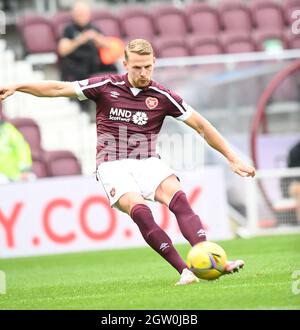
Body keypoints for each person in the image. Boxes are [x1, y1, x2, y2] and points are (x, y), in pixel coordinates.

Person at [0, 39, 255, 285]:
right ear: (125, 64)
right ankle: (184, 271)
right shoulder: (105, 85)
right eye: (137, 67)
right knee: (141, 211)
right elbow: (58, 89)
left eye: (148, 66)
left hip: (147, 160)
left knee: (179, 198)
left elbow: (201, 125)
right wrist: (19, 86)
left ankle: (212, 260)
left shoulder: (163, 95)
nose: (143, 72)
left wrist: (232, 158)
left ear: (154, 62)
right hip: (112, 164)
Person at [57, 1, 118, 114]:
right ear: (74, 15)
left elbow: (108, 45)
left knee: (114, 69)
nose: (82, 17)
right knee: (81, 75)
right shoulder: (69, 29)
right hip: (77, 64)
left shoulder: (94, 28)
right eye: (79, 14)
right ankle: (83, 110)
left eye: (84, 14)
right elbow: (62, 50)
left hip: (95, 63)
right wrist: (80, 39)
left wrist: (96, 38)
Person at [0, 115, 34, 184]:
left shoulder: (7, 129)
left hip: (17, 173)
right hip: (2, 177)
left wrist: (25, 170)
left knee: (31, 180)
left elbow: (22, 148)